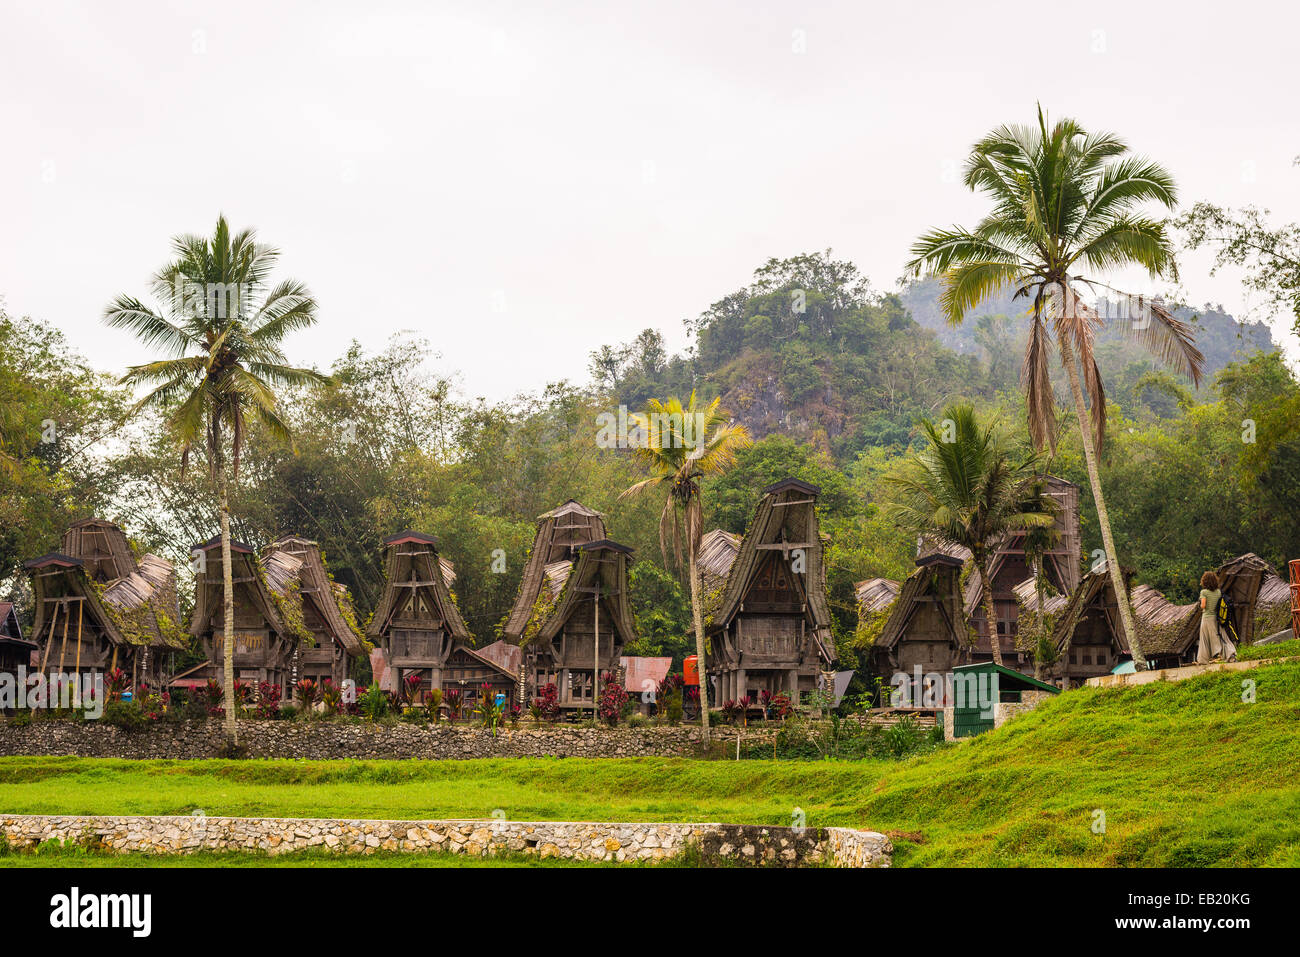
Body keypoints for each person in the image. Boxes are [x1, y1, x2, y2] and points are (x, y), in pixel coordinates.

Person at [1196, 571, 1235, 664]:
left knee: (1205, 639)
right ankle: (1230, 654)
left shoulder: (1203, 592)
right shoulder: (1218, 592)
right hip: (1217, 618)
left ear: (1204, 581)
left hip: (1207, 618)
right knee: (1221, 636)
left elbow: (1203, 605)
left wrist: (1200, 603)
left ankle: (1204, 659)